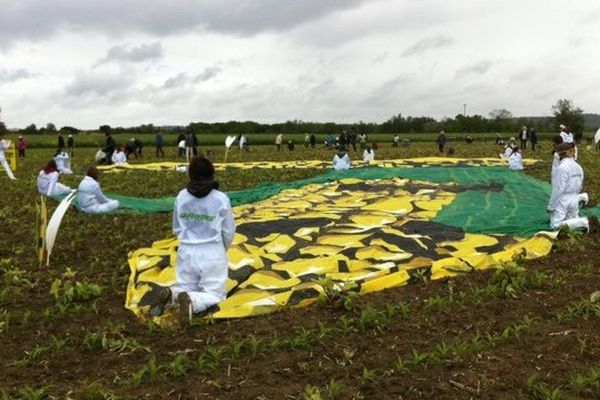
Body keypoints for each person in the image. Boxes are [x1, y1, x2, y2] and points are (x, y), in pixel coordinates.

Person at [147, 156, 235, 324]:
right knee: (215, 294)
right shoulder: (221, 199)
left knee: (185, 287)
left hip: (186, 251)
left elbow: (176, 228)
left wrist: (187, 240)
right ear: (212, 173)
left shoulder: (181, 197)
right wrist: (220, 250)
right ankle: (192, 302)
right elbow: (228, 230)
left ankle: (171, 295)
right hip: (211, 251)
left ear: (190, 174)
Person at [547, 143, 599, 233]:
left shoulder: (562, 168)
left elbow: (558, 189)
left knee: (555, 226)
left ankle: (585, 221)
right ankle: (582, 222)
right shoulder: (578, 167)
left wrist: (551, 206)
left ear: (560, 154)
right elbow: (580, 185)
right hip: (574, 197)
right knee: (572, 220)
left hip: (563, 199)